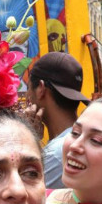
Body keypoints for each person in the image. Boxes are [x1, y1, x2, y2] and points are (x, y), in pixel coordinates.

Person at [25, 52, 89, 190]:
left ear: (41, 89)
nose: (27, 96)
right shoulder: (77, 140)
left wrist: (26, 140)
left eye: (28, 88)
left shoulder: (57, 152)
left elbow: (24, 196)